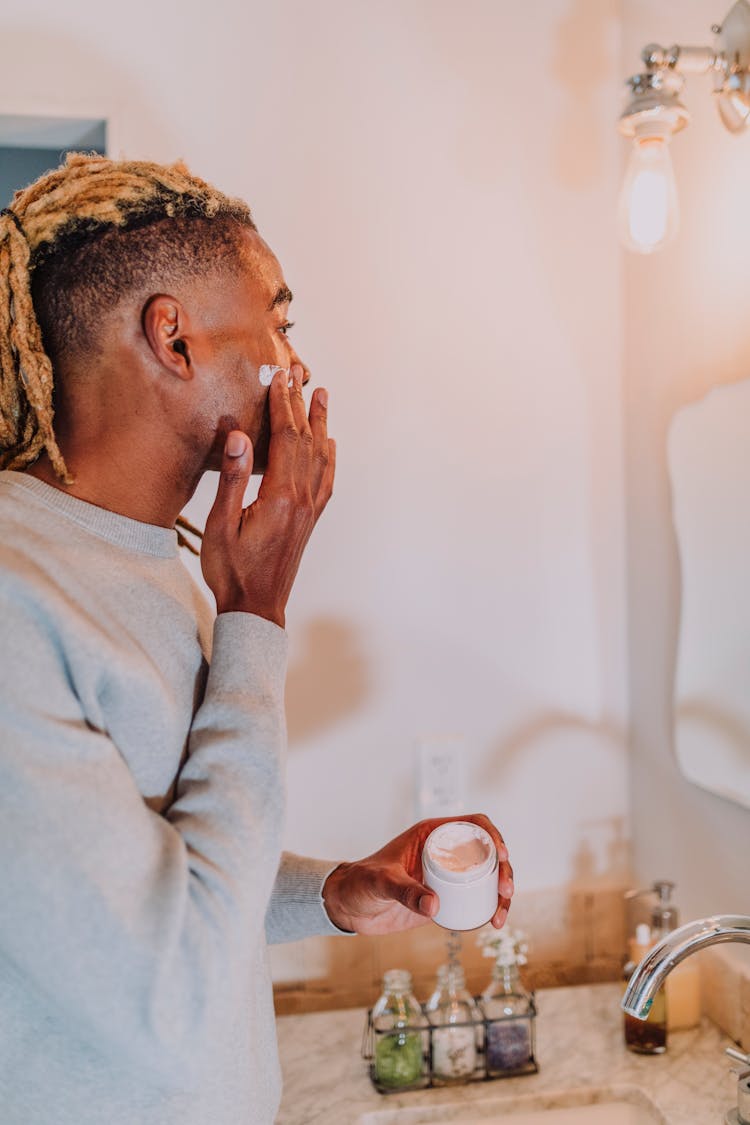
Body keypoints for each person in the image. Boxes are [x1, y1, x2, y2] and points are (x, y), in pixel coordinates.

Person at [0, 153, 514, 1125]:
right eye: (279, 316)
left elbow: (165, 879)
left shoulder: (153, 565)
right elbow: (173, 995)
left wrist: (335, 895)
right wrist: (256, 617)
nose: (296, 359)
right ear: (174, 338)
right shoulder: (16, 597)